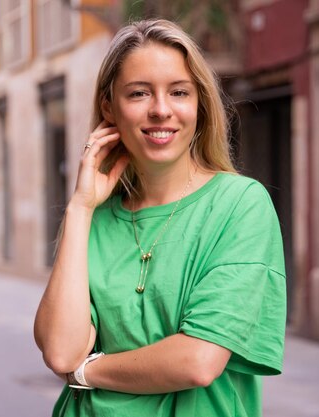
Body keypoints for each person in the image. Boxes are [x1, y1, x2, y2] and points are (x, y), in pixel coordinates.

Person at [33, 19, 287, 417]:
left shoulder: (240, 205)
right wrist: (80, 208)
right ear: (109, 108)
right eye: (138, 93)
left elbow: (198, 360)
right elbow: (61, 350)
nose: (161, 110)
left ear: (199, 104)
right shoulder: (94, 215)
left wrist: (87, 370)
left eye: (179, 92)